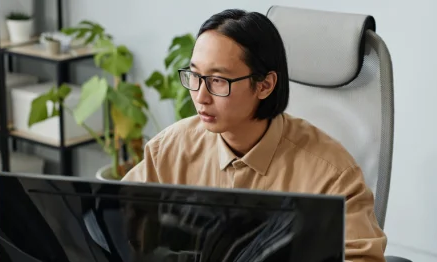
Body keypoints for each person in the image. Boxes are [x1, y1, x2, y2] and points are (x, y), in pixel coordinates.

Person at [122, 8, 387, 262]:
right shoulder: (169, 150)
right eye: (195, 75)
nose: (200, 97)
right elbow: (119, 227)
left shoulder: (330, 174)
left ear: (264, 85)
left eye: (217, 80)